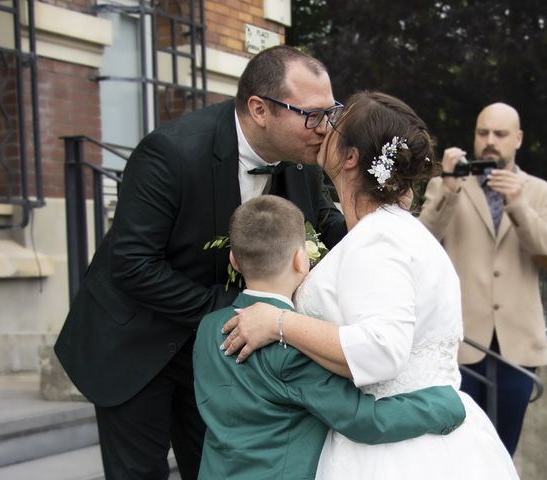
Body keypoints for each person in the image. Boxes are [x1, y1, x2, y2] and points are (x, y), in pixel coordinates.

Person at [53, 45, 350, 479]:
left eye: (331, 113)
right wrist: (236, 309)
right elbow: (133, 264)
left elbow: (326, 226)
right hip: (135, 344)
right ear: (259, 109)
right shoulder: (170, 153)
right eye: (311, 115)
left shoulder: (302, 163)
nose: (326, 129)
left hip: (215, 352)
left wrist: (381, 234)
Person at [220, 91, 519, 479]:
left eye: (335, 125)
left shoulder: (378, 241)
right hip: (422, 436)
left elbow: (381, 350)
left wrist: (278, 323)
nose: (323, 128)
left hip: (393, 453)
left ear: (350, 158)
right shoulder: (397, 231)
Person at [193, 194, 466, 479]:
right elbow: (364, 420)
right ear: (301, 260)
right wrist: (443, 405)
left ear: (234, 260)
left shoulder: (208, 328)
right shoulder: (294, 347)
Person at [418, 102, 547, 455]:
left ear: (517, 139)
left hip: (517, 346)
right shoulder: (448, 185)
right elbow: (421, 242)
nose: (489, 141)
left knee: (503, 451)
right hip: (460, 341)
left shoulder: (542, 193)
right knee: (458, 450)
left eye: (500, 134)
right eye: (482, 132)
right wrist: (449, 189)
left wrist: (518, 204)